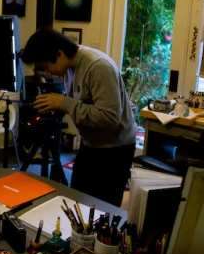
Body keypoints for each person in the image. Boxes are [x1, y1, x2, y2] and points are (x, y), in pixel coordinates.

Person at [21, 27, 137, 207]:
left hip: (115, 149)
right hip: (91, 144)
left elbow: (109, 117)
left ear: (59, 54)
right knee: (77, 200)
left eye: (46, 67)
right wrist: (55, 107)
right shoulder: (70, 66)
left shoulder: (98, 67)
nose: (48, 73)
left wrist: (64, 103)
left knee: (103, 209)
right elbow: (82, 103)